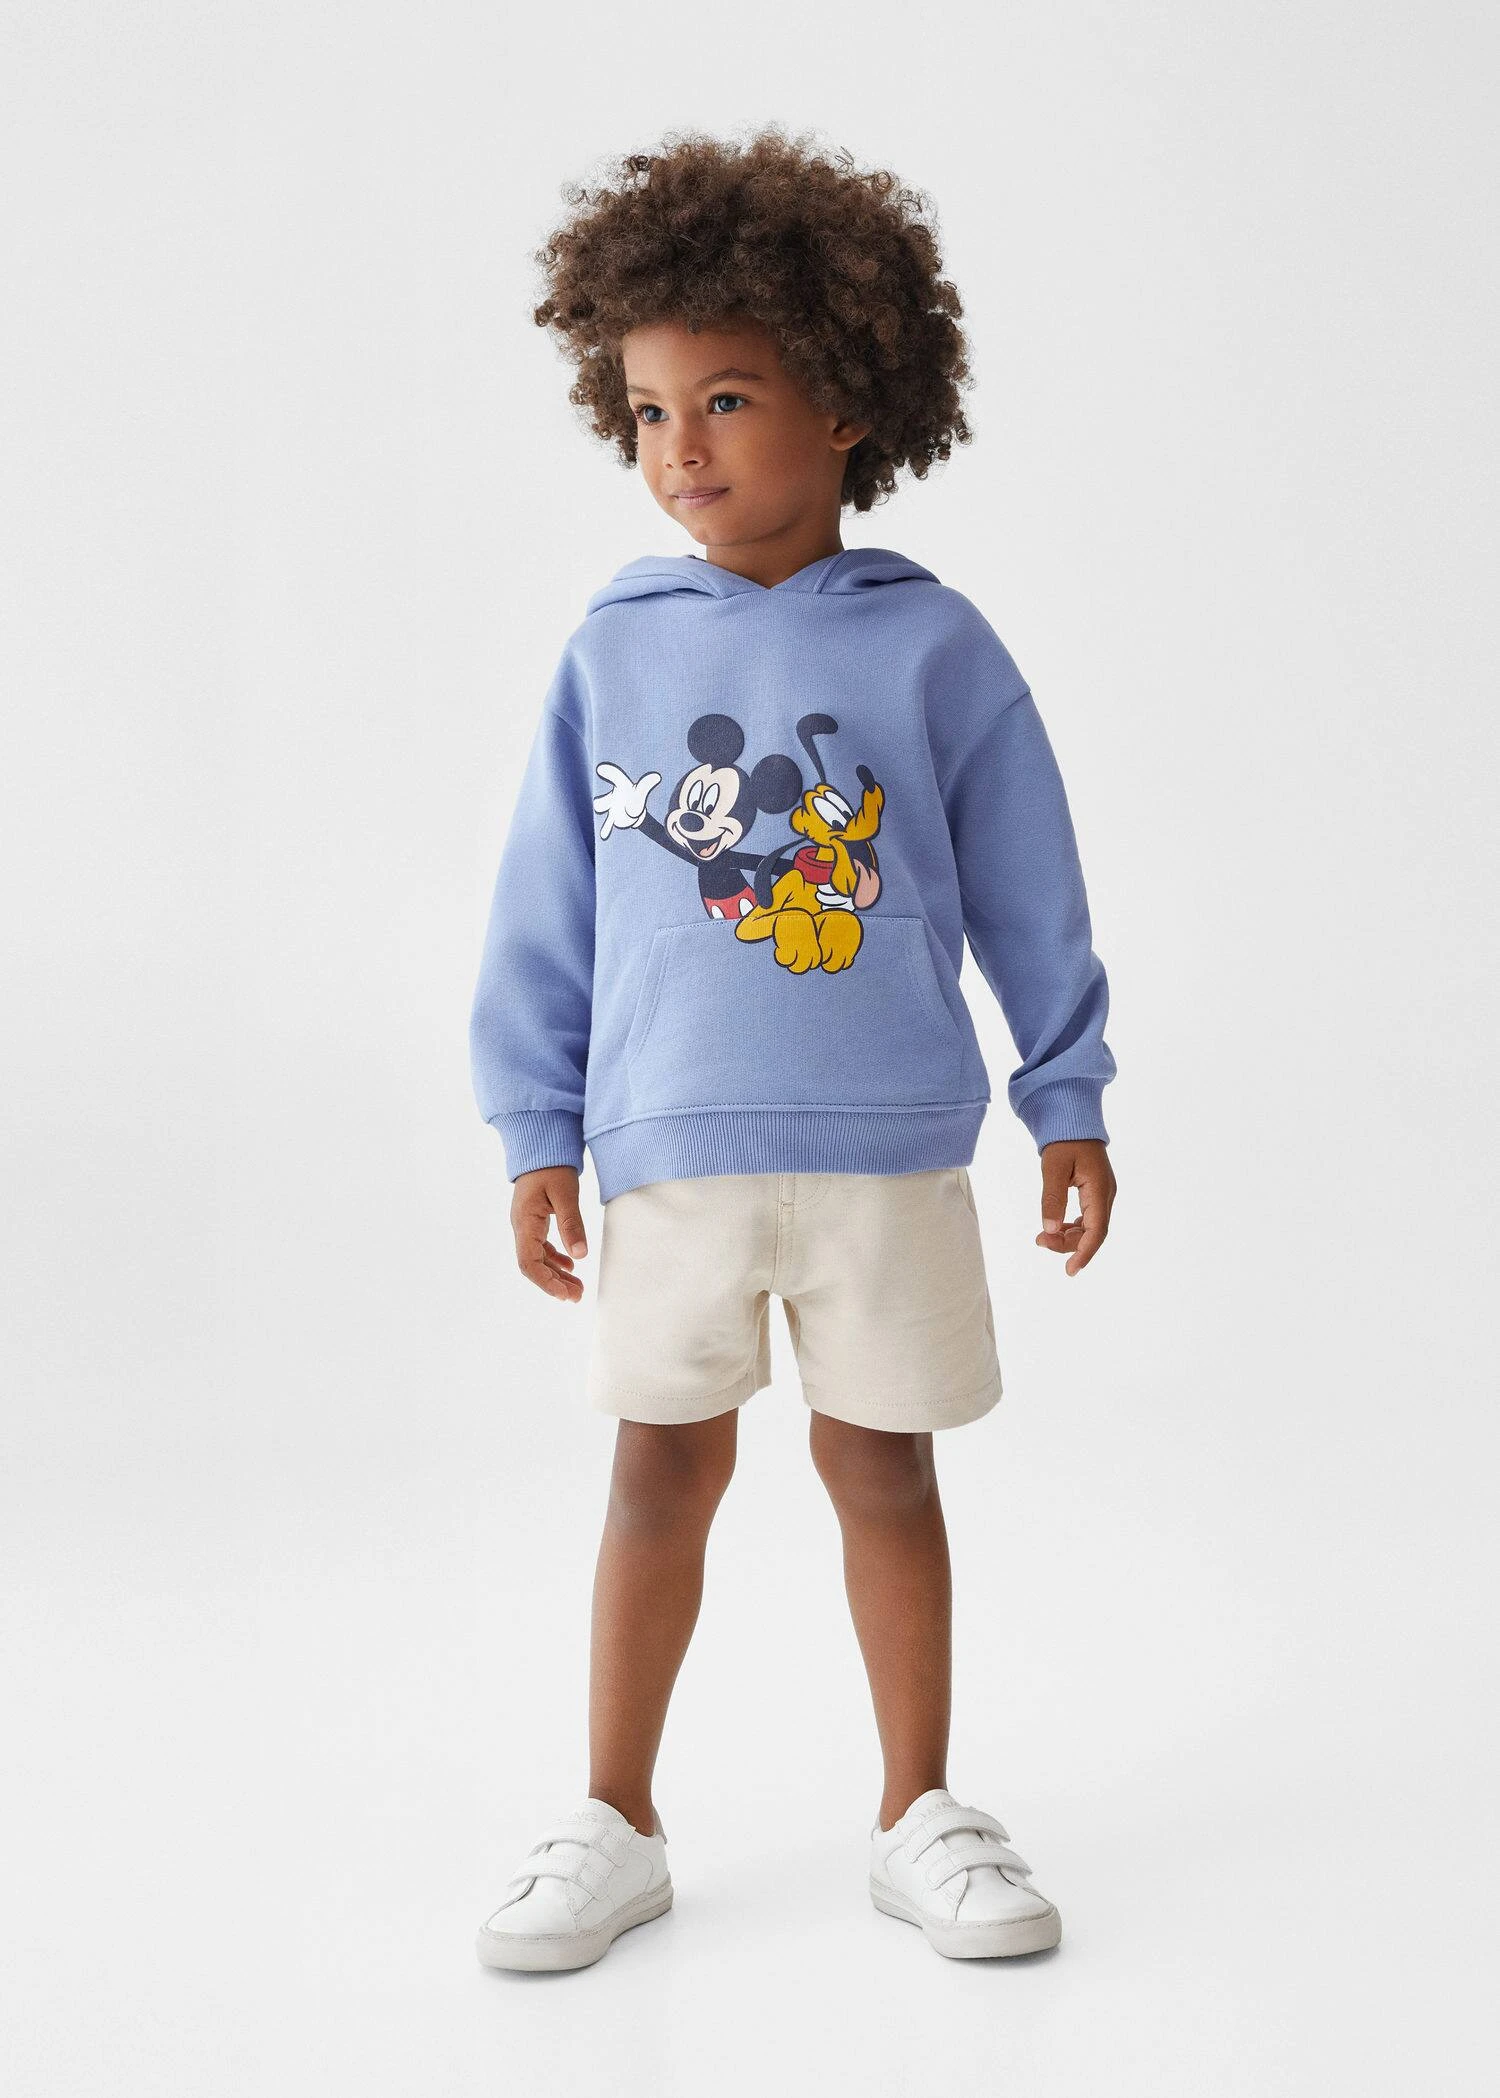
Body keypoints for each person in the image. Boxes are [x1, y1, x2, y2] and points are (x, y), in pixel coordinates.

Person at [468, 127, 1117, 1974]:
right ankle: (615, 1815)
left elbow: (1031, 888)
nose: (681, 445)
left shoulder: (935, 646)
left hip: (890, 1146)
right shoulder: (611, 651)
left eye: (728, 399)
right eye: (650, 409)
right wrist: (534, 1124)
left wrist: (1067, 1093)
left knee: (885, 1472)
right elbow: (548, 907)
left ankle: (922, 1810)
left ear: (846, 402)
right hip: (667, 1149)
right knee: (656, 1477)